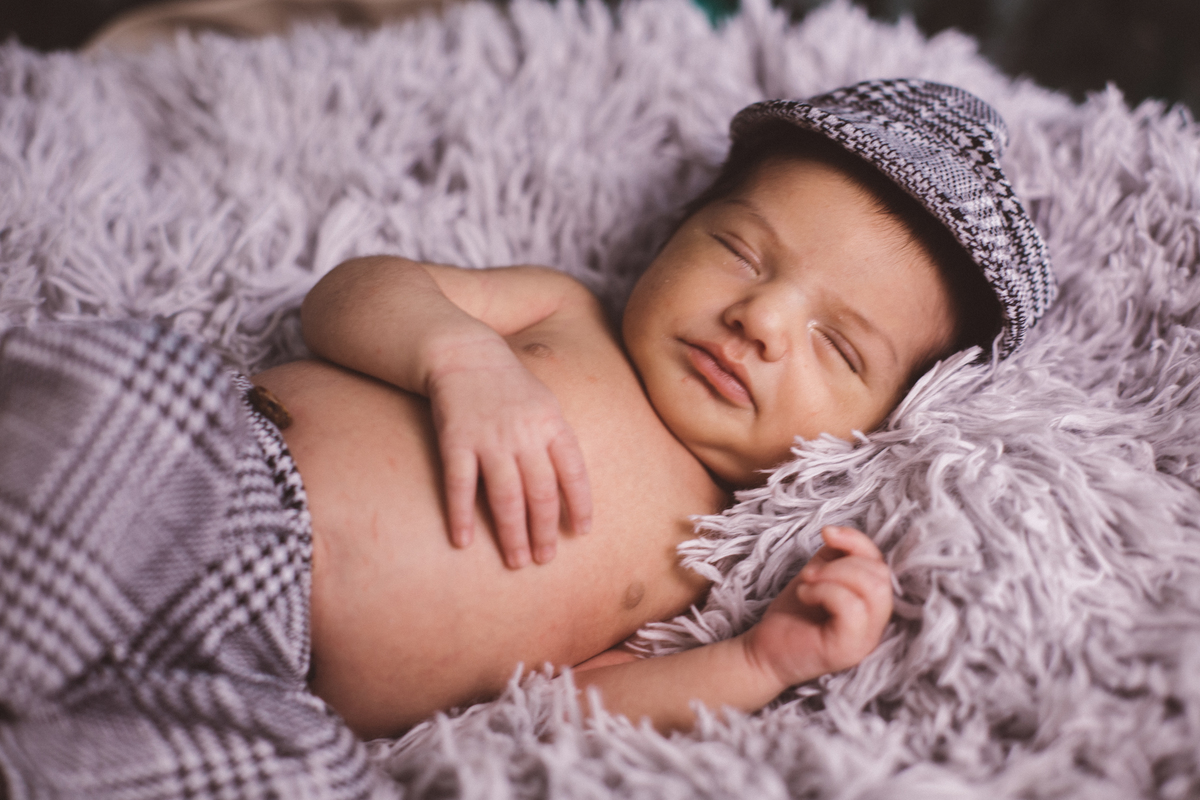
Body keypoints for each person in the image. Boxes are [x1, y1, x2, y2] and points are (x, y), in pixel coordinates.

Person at [0, 79, 1055, 798]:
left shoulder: (711, 558)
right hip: (204, 480)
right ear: (675, 233)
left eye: (838, 345)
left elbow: (576, 704)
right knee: (129, 396)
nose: (763, 318)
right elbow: (350, 293)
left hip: (272, 688)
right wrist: (458, 357)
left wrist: (758, 658)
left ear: (885, 424)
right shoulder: (566, 311)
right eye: (740, 250)